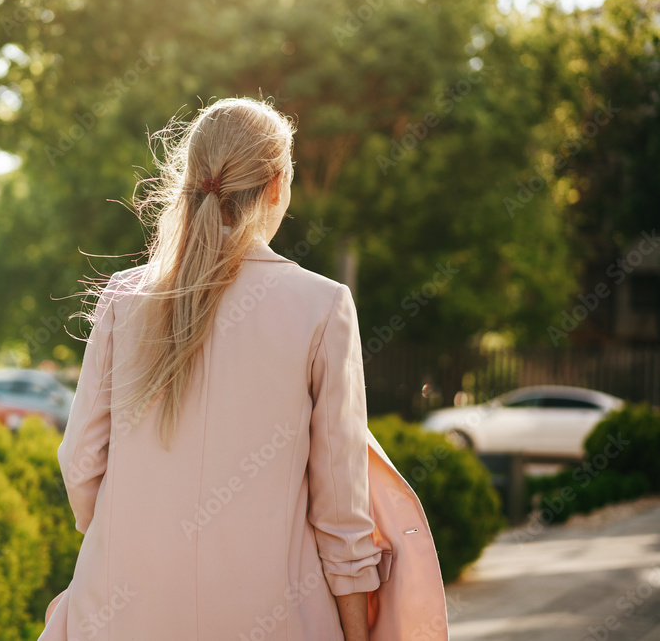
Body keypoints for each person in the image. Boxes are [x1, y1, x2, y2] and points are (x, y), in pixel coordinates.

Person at [39, 97, 446, 641]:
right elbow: (340, 509)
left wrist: (127, 546)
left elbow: (81, 461)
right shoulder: (321, 305)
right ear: (278, 187)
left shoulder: (123, 297)